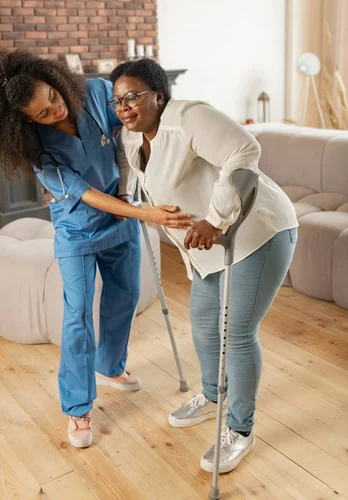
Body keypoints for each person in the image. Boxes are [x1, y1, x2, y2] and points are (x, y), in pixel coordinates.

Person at [0, 50, 192, 449]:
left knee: (125, 295)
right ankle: (77, 407)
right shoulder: (37, 149)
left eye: (52, 97)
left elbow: (124, 145)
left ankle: (110, 367)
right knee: (77, 317)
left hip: (120, 214)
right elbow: (84, 193)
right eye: (42, 114)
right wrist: (144, 214)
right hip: (79, 230)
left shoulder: (98, 92)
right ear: (26, 121)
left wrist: (127, 194)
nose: (54, 110)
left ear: (56, 82)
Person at [110, 59, 298, 473]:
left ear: (159, 95)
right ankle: (214, 395)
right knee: (203, 325)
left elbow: (245, 151)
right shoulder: (132, 136)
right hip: (207, 250)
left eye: (132, 96)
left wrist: (215, 219)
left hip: (257, 234)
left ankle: (240, 430)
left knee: (237, 334)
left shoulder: (188, 116)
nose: (123, 106)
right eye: (117, 100)